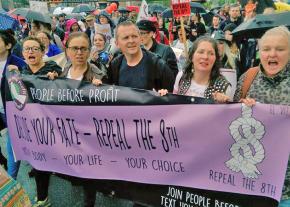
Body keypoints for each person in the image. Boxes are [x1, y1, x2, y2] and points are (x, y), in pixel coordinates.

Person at [232, 26, 290, 207]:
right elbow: (232, 120)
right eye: (266, 49)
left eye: (280, 49)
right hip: (251, 183)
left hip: (287, 187)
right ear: (259, 51)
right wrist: (235, 105)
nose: (272, 54)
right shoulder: (247, 78)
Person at [8, 36, 62, 206]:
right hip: (32, 128)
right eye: (26, 49)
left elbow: (60, 76)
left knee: (45, 163)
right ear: (23, 53)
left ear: (42, 52)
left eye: (34, 48)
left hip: (52, 125)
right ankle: (43, 198)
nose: (30, 51)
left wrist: (55, 76)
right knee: (39, 163)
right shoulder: (21, 73)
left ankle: (42, 197)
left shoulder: (52, 68)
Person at [159, 36, 231, 103]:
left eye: (211, 53)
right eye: (201, 52)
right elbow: (174, 104)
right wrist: (165, 97)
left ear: (215, 59)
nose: (205, 57)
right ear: (192, 56)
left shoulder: (224, 87)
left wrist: (223, 104)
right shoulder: (182, 76)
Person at [108, 20, 174, 92]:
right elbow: (106, 91)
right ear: (117, 43)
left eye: (134, 36)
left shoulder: (158, 65)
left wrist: (165, 94)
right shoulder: (115, 64)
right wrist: (97, 85)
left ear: (140, 38)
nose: (131, 40)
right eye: (126, 38)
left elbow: (172, 97)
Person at [0, 30, 26, 178]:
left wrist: (18, 75)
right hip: (0, 112)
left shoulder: (17, 63)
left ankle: (12, 183)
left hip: (12, 112)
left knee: (12, 149)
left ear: (8, 45)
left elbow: (25, 89)